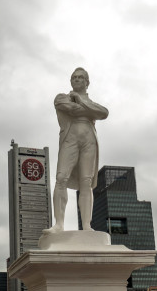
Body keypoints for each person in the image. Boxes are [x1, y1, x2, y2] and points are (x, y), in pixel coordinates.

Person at [43, 67, 108, 234]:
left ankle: (87, 225)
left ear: (87, 82)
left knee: (86, 181)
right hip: (70, 139)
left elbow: (104, 113)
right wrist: (87, 109)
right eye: (74, 77)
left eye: (80, 77)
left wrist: (80, 100)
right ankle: (59, 224)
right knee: (61, 178)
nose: (76, 79)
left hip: (89, 140)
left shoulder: (87, 101)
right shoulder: (61, 97)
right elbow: (71, 109)